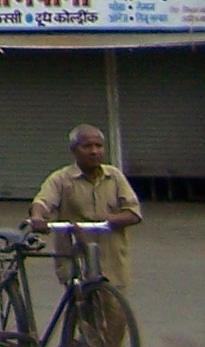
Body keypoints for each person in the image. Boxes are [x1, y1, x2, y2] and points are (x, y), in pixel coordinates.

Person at [29, 123, 142, 332]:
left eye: (99, 146)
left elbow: (133, 212)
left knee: (116, 318)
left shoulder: (114, 177)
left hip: (112, 262)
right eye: (87, 146)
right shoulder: (61, 179)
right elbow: (43, 202)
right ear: (74, 151)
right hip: (75, 259)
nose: (94, 151)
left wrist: (110, 220)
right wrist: (38, 217)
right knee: (86, 319)